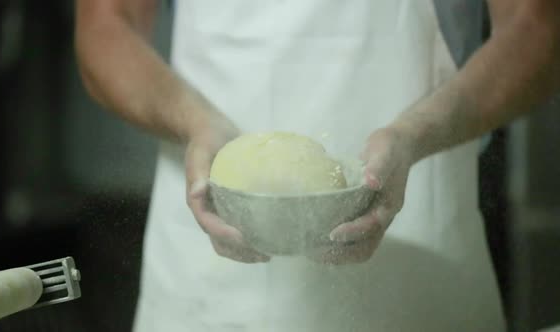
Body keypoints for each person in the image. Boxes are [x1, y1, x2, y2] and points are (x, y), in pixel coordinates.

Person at [75, 0, 560, 331]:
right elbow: (104, 26)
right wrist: (196, 123)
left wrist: (414, 134)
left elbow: (538, 30)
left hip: (419, 262)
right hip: (206, 283)